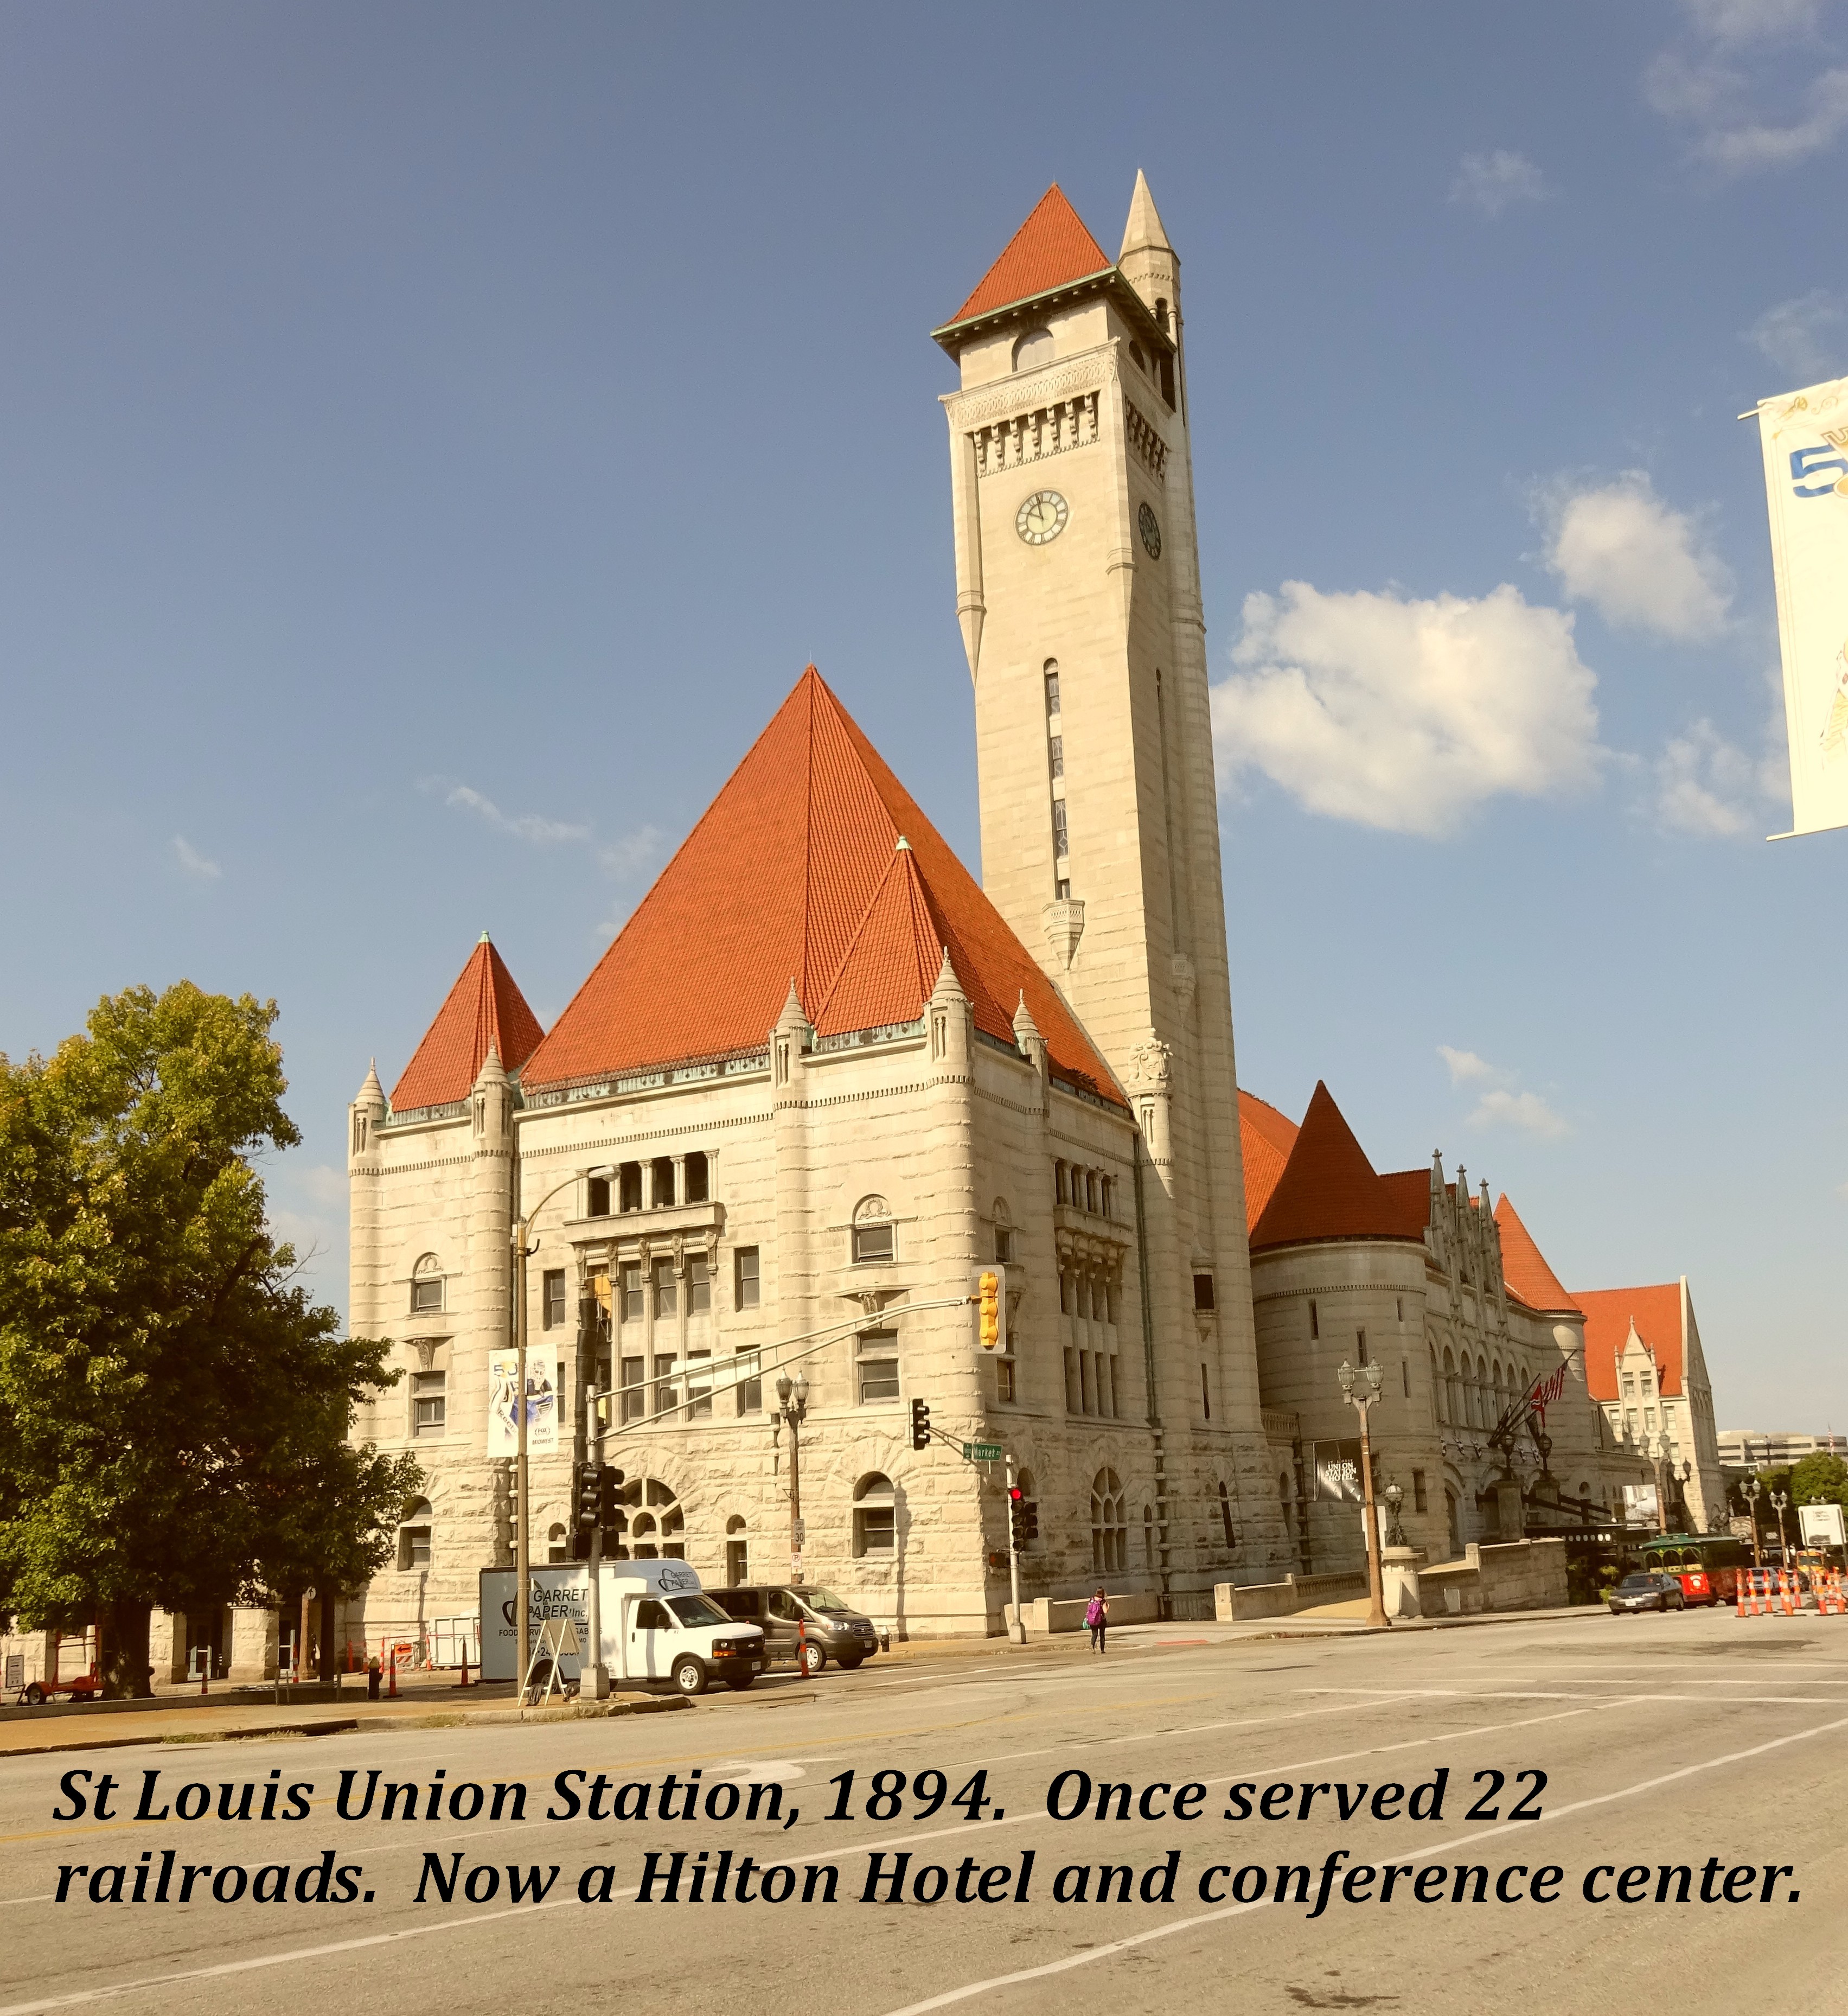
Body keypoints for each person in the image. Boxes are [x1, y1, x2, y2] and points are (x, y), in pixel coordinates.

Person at [1085, 1587, 1108, 1654]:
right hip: (1101, 1620)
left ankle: (1092, 1645)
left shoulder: (1092, 1599)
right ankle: (1102, 1650)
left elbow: (1088, 1609)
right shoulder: (1103, 1601)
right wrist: (1108, 1606)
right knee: (1102, 1635)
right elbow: (1105, 1611)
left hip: (1092, 1619)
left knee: (1094, 1634)